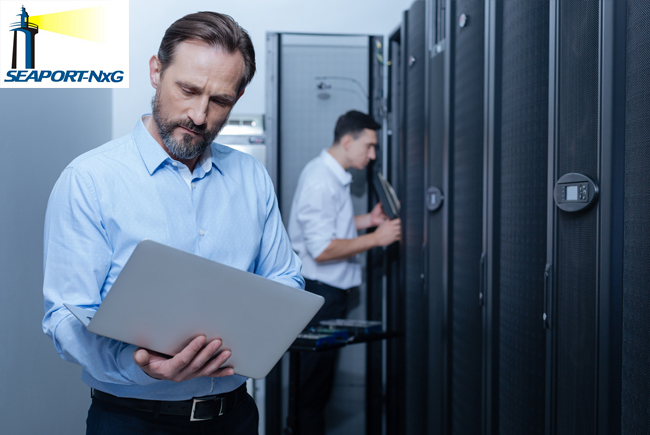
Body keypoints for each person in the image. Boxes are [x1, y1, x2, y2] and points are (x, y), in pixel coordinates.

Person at [42, 12, 303, 435]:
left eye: (220, 101)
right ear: (155, 71)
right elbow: (65, 318)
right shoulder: (90, 179)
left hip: (234, 417)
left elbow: (286, 278)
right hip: (132, 422)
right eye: (188, 90)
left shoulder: (252, 177)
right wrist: (137, 364)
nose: (199, 116)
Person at [287, 110, 402, 434]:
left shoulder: (332, 176)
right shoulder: (321, 180)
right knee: (312, 392)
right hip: (318, 295)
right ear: (348, 141)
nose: (373, 155)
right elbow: (322, 249)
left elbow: (330, 227)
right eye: (369, 146)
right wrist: (377, 239)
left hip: (327, 296)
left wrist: (367, 221)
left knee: (319, 389)